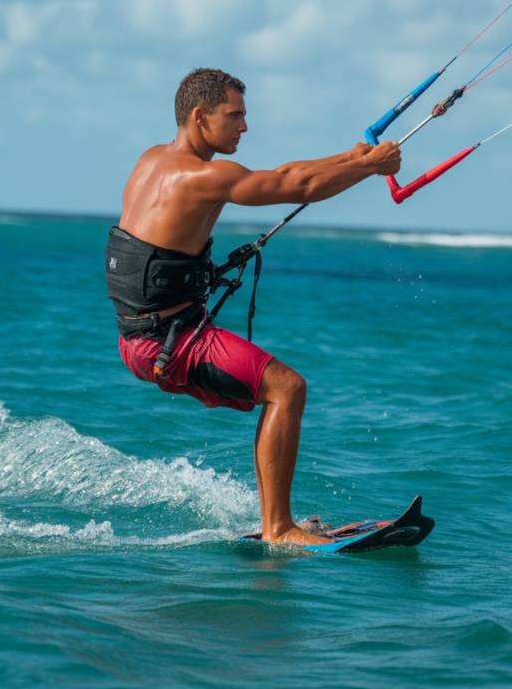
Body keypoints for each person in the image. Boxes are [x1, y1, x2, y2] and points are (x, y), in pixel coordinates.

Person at [105, 68, 401, 546]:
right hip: (169, 345)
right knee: (288, 389)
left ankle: (274, 522)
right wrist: (371, 167)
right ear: (201, 117)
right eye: (235, 115)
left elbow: (286, 173)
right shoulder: (206, 176)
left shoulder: (153, 160)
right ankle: (280, 529)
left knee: (279, 390)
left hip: (141, 339)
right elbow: (295, 185)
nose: (245, 126)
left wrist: (351, 157)